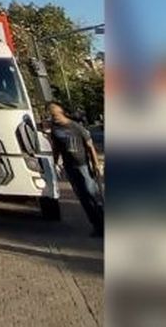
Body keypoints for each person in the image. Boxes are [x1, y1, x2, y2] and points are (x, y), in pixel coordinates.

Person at [46, 101, 103, 236]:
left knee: (92, 193)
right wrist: (54, 164)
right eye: (51, 115)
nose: (54, 117)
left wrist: (95, 164)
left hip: (83, 165)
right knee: (83, 197)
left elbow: (89, 146)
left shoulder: (76, 127)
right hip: (70, 167)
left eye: (55, 114)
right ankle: (97, 225)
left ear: (61, 112)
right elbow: (56, 149)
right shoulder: (55, 130)